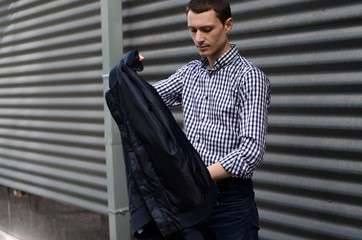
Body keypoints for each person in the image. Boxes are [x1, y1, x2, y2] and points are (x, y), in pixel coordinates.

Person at [153, 0, 271, 239]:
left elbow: (250, 153)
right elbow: (146, 100)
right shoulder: (189, 73)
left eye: (206, 29)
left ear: (228, 25)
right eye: (192, 30)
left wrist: (198, 174)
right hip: (190, 201)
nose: (198, 38)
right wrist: (126, 76)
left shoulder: (250, 78)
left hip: (231, 204)